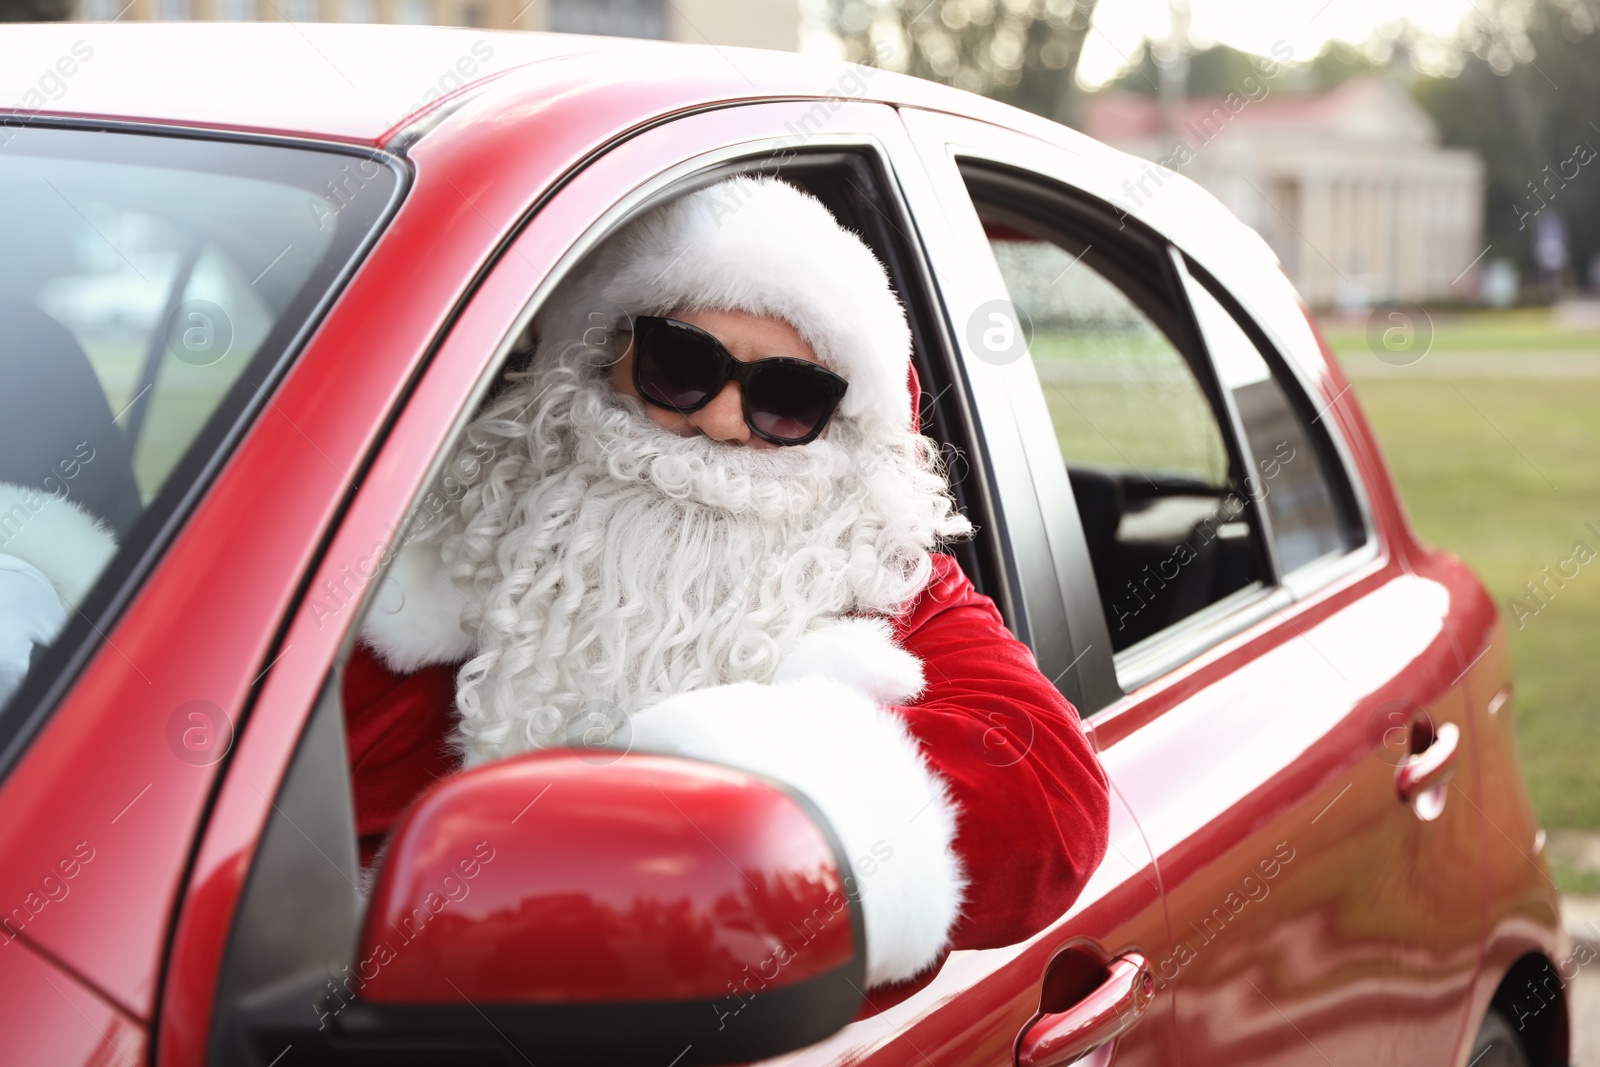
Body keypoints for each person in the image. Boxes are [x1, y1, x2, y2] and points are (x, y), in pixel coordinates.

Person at [344, 176, 1110, 990]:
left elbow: (1050, 804)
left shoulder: (877, 579)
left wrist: (704, 816)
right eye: (682, 364)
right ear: (604, 358)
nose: (720, 422)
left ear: (839, 427)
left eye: (787, 398)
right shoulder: (438, 553)